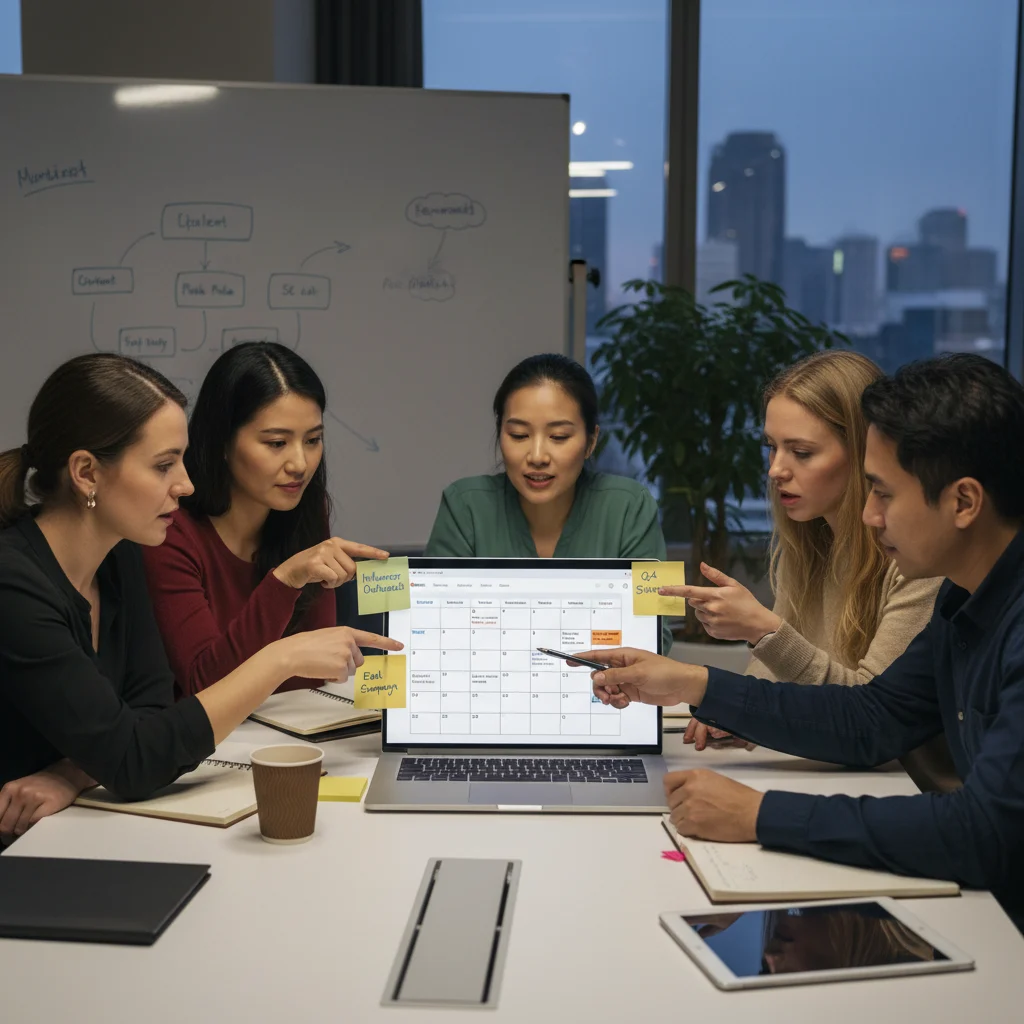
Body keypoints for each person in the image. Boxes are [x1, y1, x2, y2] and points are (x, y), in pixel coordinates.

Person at [584, 354, 1024, 931]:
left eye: (884, 493)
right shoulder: (964, 596)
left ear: (964, 502)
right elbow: (874, 718)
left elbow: (983, 832)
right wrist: (694, 682)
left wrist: (761, 815)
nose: (867, 515)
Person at [0, 353, 400, 840]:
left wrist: (77, 769)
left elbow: (149, 718)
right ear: (86, 473)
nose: (184, 484)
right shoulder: (14, 583)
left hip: (79, 823)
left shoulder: (120, 557)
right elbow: (134, 758)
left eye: (313, 440)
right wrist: (278, 658)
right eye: (164, 465)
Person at [667, 351, 954, 792]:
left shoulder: (917, 560)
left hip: (905, 789)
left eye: (801, 452)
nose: (776, 470)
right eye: (772, 447)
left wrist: (763, 631)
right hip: (846, 780)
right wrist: (739, 716)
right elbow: (775, 683)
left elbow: (868, 716)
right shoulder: (808, 544)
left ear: (865, 452)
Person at [143, 342, 389, 696]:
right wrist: (286, 579)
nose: (300, 464)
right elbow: (205, 685)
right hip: (210, 746)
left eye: (313, 440)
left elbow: (310, 681)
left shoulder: (303, 506)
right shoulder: (170, 530)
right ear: (223, 442)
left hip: (291, 737)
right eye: (276, 443)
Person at [425, 353, 671, 648]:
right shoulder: (464, 505)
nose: (537, 456)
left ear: (591, 441)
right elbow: (434, 627)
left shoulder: (630, 506)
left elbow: (654, 635)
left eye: (558, 436)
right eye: (518, 435)